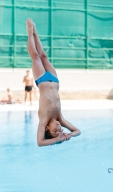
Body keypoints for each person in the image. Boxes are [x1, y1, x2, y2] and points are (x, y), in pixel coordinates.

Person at [26, 18, 81, 147]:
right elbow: (78, 131)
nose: (58, 128)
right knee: (43, 55)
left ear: (47, 129)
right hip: (55, 80)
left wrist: (57, 139)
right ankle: (35, 32)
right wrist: (69, 135)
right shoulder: (60, 119)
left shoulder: (43, 121)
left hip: (42, 80)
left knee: (35, 55)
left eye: (55, 131)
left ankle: (29, 32)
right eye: (60, 131)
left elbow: (40, 142)